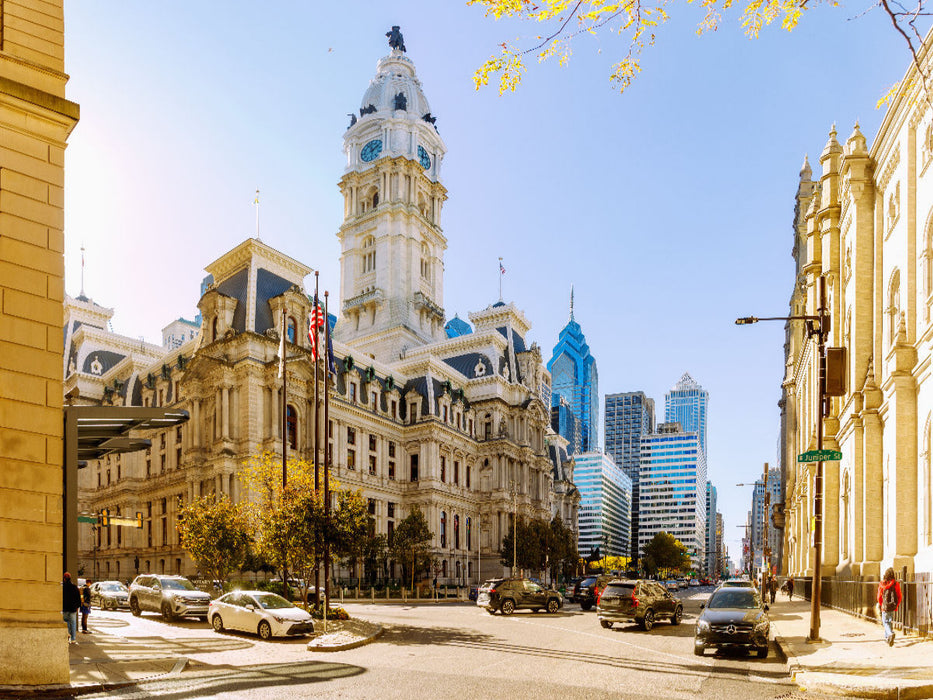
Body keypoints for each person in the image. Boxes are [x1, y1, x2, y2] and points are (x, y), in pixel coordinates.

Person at [877, 567, 902, 646]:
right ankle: (887, 638)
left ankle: (890, 634)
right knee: (889, 621)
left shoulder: (882, 584)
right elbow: (899, 596)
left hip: (885, 606)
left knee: (885, 622)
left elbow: (879, 597)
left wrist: (882, 604)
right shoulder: (895, 584)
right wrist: (896, 605)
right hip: (892, 606)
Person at [62, 572, 81, 644]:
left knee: (66, 622)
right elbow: (78, 598)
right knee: (73, 623)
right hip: (73, 608)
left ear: (64, 579)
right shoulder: (74, 587)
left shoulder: (63, 587)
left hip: (65, 608)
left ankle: (67, 635)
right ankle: (73, 639)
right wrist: (77, 606)